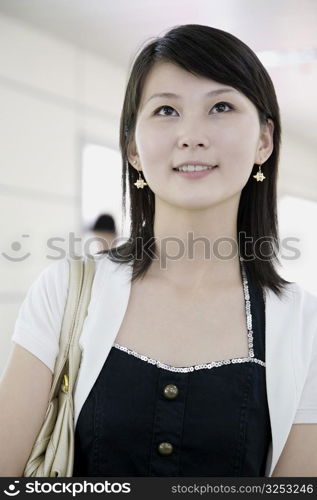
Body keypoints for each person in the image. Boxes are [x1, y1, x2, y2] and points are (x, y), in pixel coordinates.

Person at [1, 24, 317, 478]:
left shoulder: (305, 326)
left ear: (263, 141)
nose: (191, 135)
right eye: (166, 110)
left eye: (221, 106)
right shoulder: (65, 292)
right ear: (132, 147)